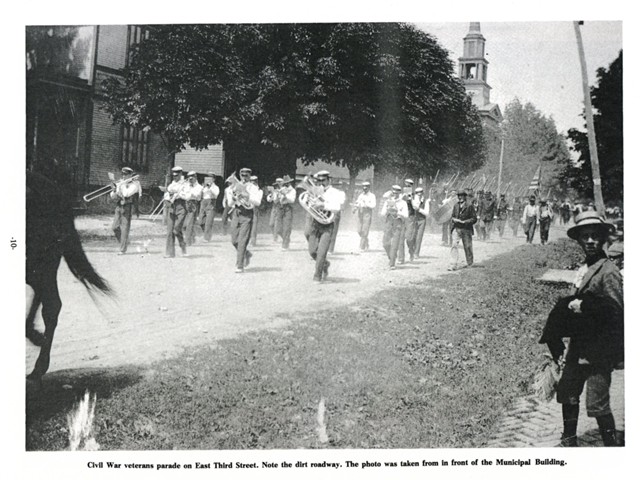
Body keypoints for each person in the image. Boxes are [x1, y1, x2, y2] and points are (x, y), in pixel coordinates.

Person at [539, 211, 623, 447]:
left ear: (603, 239)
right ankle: (568, 441)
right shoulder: (585, 267)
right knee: (567, 393)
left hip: (599, 350)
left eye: (594, 236)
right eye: (585, 237)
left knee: (598, 404)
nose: (590, 241)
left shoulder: (608, 271)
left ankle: (612, 448)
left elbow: (617, 312)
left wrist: (585, 304)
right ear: (579, 240)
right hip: (578, 347)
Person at [306, 170, 342, 281]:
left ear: (329, 180)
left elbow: (337, 207)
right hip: (315, 223)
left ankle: (317, 276)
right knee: (312, 251)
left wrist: (323, 205)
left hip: (327, 225)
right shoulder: (315, 191)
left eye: (323, 180)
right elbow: (309, 205)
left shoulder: (335, 192)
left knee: (321, 252)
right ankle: (325, 264)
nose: (321, 183)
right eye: (319, 180)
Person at [229, 168, 263, 273]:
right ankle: (246, 254)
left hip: (247, 214)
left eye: (246, 175)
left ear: (249, 176)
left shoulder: (254, 188)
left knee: (242, 240)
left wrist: (247, 196)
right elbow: (230, 203)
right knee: (234, 240)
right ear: (239, 175)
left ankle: (240, 265)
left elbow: (257, 202)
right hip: (236, 212)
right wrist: (233, 199)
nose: (244, 177)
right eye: (242, 175)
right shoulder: (235, 186)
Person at [110, 167, 141, 255]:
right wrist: (114, 190)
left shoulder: (135, 184)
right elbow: (113, 196)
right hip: (119, 206)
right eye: (123, 174)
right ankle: (125, 242)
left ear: (130, 174)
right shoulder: (121, 183)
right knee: (114, 227)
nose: (123, 176)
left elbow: (126, 194)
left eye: (126, 174)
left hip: (128, 207)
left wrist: (121, 185)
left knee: (125, 229)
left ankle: (122, 249)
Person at [381, 185, 409, 270]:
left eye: (397, 193)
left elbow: (406, 215)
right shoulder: (388, 201)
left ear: (399, 193)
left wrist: (398, 211)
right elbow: (382, 213)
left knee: (395, 244)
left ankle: (392, 263)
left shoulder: (403, 203)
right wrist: (387, 209)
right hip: (389, 222)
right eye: (393, 193)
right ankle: (392, 256)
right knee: (385, 243)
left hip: (398, 223)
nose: (395, 195)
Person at [448, 190, 477, 271]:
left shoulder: (469, 206)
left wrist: (465, 222)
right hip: (456, 228)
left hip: (466, 229)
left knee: (467, 246)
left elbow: (474, 219)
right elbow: (452, 216)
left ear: (465, 196)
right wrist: (454, 220)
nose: (460, 197)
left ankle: (470, 263)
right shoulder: (456, 205)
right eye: (458, 196)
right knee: (454, 245)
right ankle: (453, 264)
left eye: (461, 196)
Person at [164, 166, 189, 258]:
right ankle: (170, 253)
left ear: (181, 174)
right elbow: (166, 194)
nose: (175, 177)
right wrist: (168, 199)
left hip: (181, 207)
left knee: (176, 229)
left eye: (177, 175)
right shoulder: (171, 184)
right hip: (172, 207)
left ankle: (183, 247)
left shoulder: (185, 184)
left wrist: (178, 195)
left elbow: (187, 196)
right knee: (170, 231)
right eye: (174, 176)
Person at [354, 181, 376, 251]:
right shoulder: (361, 195)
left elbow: (373, 205)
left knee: (365, 230)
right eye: (363, 186)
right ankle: (366, 243)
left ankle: (362, 247)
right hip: (360, 213)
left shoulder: (372, 196)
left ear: (369, 187)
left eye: (366, 186)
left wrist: (366, 203)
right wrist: (355, 208)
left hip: (367, 213)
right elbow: (357, 203)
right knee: (359, 230)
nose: (364, 188)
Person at [277, 175, 297, 250]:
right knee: (278, 229)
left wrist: (285, 194)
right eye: (284, 183)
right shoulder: (282, 189)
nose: (285, 185)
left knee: (286, 227)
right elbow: (277, 200)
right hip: (281, 208)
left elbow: (292, 200)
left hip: (288, 208)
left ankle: (285, 245)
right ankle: (287, 239)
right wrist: (278, 194)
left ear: (289, 183)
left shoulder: (293, 190)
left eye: (286, 183)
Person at [184, 171, 203, 246]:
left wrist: (190, 193)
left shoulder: (199, 187)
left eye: (192, 178)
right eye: (189, 178)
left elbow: (197, 196)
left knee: (190, 222)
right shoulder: (186, 185)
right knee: (186, 223)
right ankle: (192, 237)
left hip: (193, 204)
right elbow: (184, 193)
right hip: (185, 202)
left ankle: (187, 241)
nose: (190, 179)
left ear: (195, 177)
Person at [199, 173, 220, 242]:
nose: (209, 179)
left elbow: (216, 195)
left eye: (211, 178)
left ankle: (207, 237)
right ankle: (207, 233)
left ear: (214, 179)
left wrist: (210, 188)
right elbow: (200, 195)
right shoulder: (204, 187)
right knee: (201, 221)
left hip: (211, 203)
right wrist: (202, 188)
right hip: (203, 203)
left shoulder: (215, 187)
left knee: (208, 222)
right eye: (208, 177)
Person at [328, 181, 347, 254]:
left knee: (333, 231)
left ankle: (330, 249)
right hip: (328, 211)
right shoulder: (330, 192)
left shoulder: (341, 193)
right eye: (336, 185)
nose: (337, 187)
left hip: (335, 212)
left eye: (339, 185)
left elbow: (341, 203)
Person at [412, 187, 430, 258]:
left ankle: (416, 253)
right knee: (412, 236)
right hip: (413, 220)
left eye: (420, 193)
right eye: (417, 193)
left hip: (422, 220)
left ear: (422, 193)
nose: (419, 195)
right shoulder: (412, 200)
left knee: (419, 237)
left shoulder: (426, 201)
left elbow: (427, 213)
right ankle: (411, 251)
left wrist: (419, 209)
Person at [267, 178, 284, 243]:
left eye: (279, 182)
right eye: (277, 182)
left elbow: (280, 200)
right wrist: (271, 194)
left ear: (282, 182)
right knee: (271, 224)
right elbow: (269, 200)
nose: (278, 183)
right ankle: (283, 236)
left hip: (280, 207)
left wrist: (279, 195)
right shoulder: (275, 190)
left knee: (277, 224)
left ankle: (275, 238)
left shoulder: (284, 190)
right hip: (274, 207)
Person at [249, 175, 263, 246]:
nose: (252, 183)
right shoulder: (248, 188)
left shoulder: (259, 191)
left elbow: (258, 202)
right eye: (251, 181)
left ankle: (253, 241)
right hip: (247, 208)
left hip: (254, 208)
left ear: (256, 182)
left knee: (254, 226)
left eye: (254, 182)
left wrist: (249, 199)